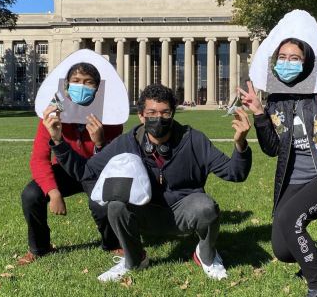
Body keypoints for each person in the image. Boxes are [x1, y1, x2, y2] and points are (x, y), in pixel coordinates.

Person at [45, 84, 252, 282]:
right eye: (152, 113)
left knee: (206, 206)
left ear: (173, 115)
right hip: (144, 212)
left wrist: (240, 143)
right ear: (142, 116)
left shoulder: (194, 140)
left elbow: (234, 173)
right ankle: (134, 260)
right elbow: (86, 171)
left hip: (185, 211)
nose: (158, 118)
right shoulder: (128, 142)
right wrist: (57, 141)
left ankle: (206, 256)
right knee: (116, 205)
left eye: (165, 113)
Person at [238, 38, 317, 297]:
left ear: (306, 63)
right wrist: (260, 114)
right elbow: (273, 149)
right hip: (293, 178)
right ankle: (316, 258)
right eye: (282, 57)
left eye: (294, 58)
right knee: (282, 250)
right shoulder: (277, 99)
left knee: (290, 220)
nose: (287, 63)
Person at [17, 62, 123, 266]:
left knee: (101, 203)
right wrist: (52, 191)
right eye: (76, 81)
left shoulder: (110, 115)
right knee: (31, 195)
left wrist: (100, 142)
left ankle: (112, 243)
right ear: (67, 86)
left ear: (97, 88)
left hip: (95, 170)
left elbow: (113, 161)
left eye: (88, 82)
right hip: (66, 169)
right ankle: (39, 247)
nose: (81, 86)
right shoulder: (52, 112)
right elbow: (39, 158)